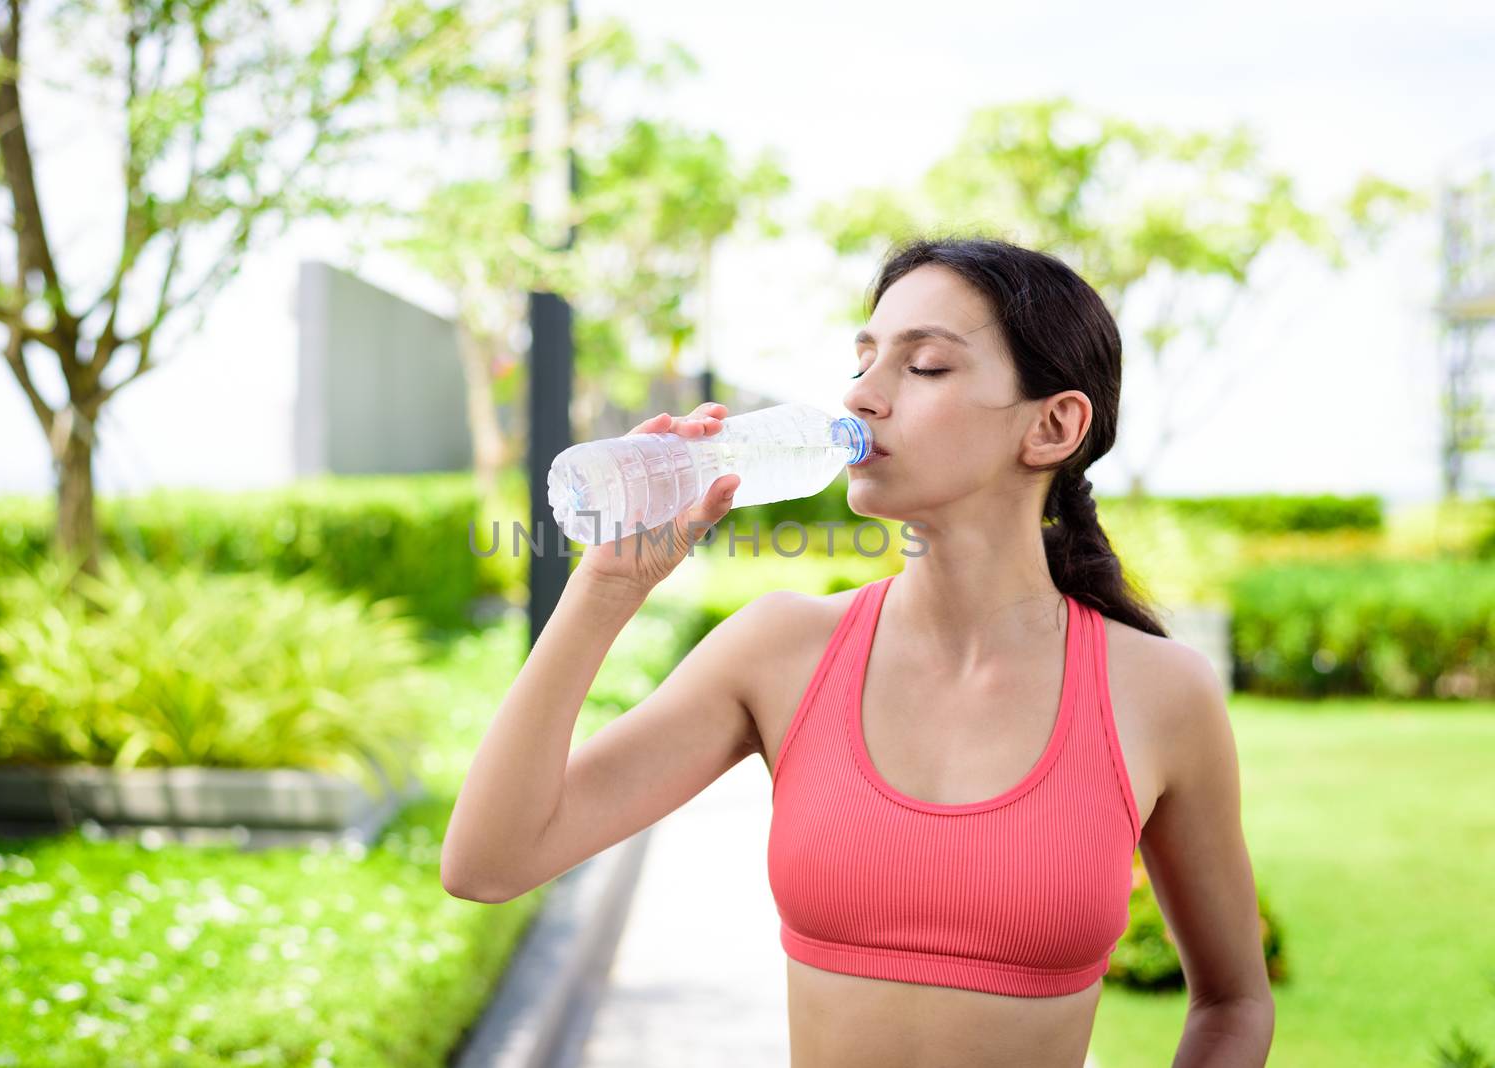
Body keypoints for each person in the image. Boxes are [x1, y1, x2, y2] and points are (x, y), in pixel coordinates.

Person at [440, 234, 1275, 1068]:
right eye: (864, 360)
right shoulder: (781, 651)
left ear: (1053, 425)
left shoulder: (1159, 694)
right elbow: (489, 861)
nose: (861, 398)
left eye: (926, 367)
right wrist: (607, 587)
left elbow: (1234, 1003)